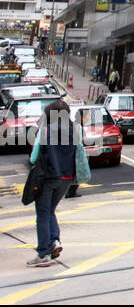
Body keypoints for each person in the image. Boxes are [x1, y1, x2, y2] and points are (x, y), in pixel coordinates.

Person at [27, 99, 89, 267]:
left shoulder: (45, 130)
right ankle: (54, 241)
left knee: (43, 214)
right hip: (67, 179)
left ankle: (43, 254)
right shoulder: (75, 130)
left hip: (47, 179)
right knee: (50, 211)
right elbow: (80, 155)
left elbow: (34, 157)